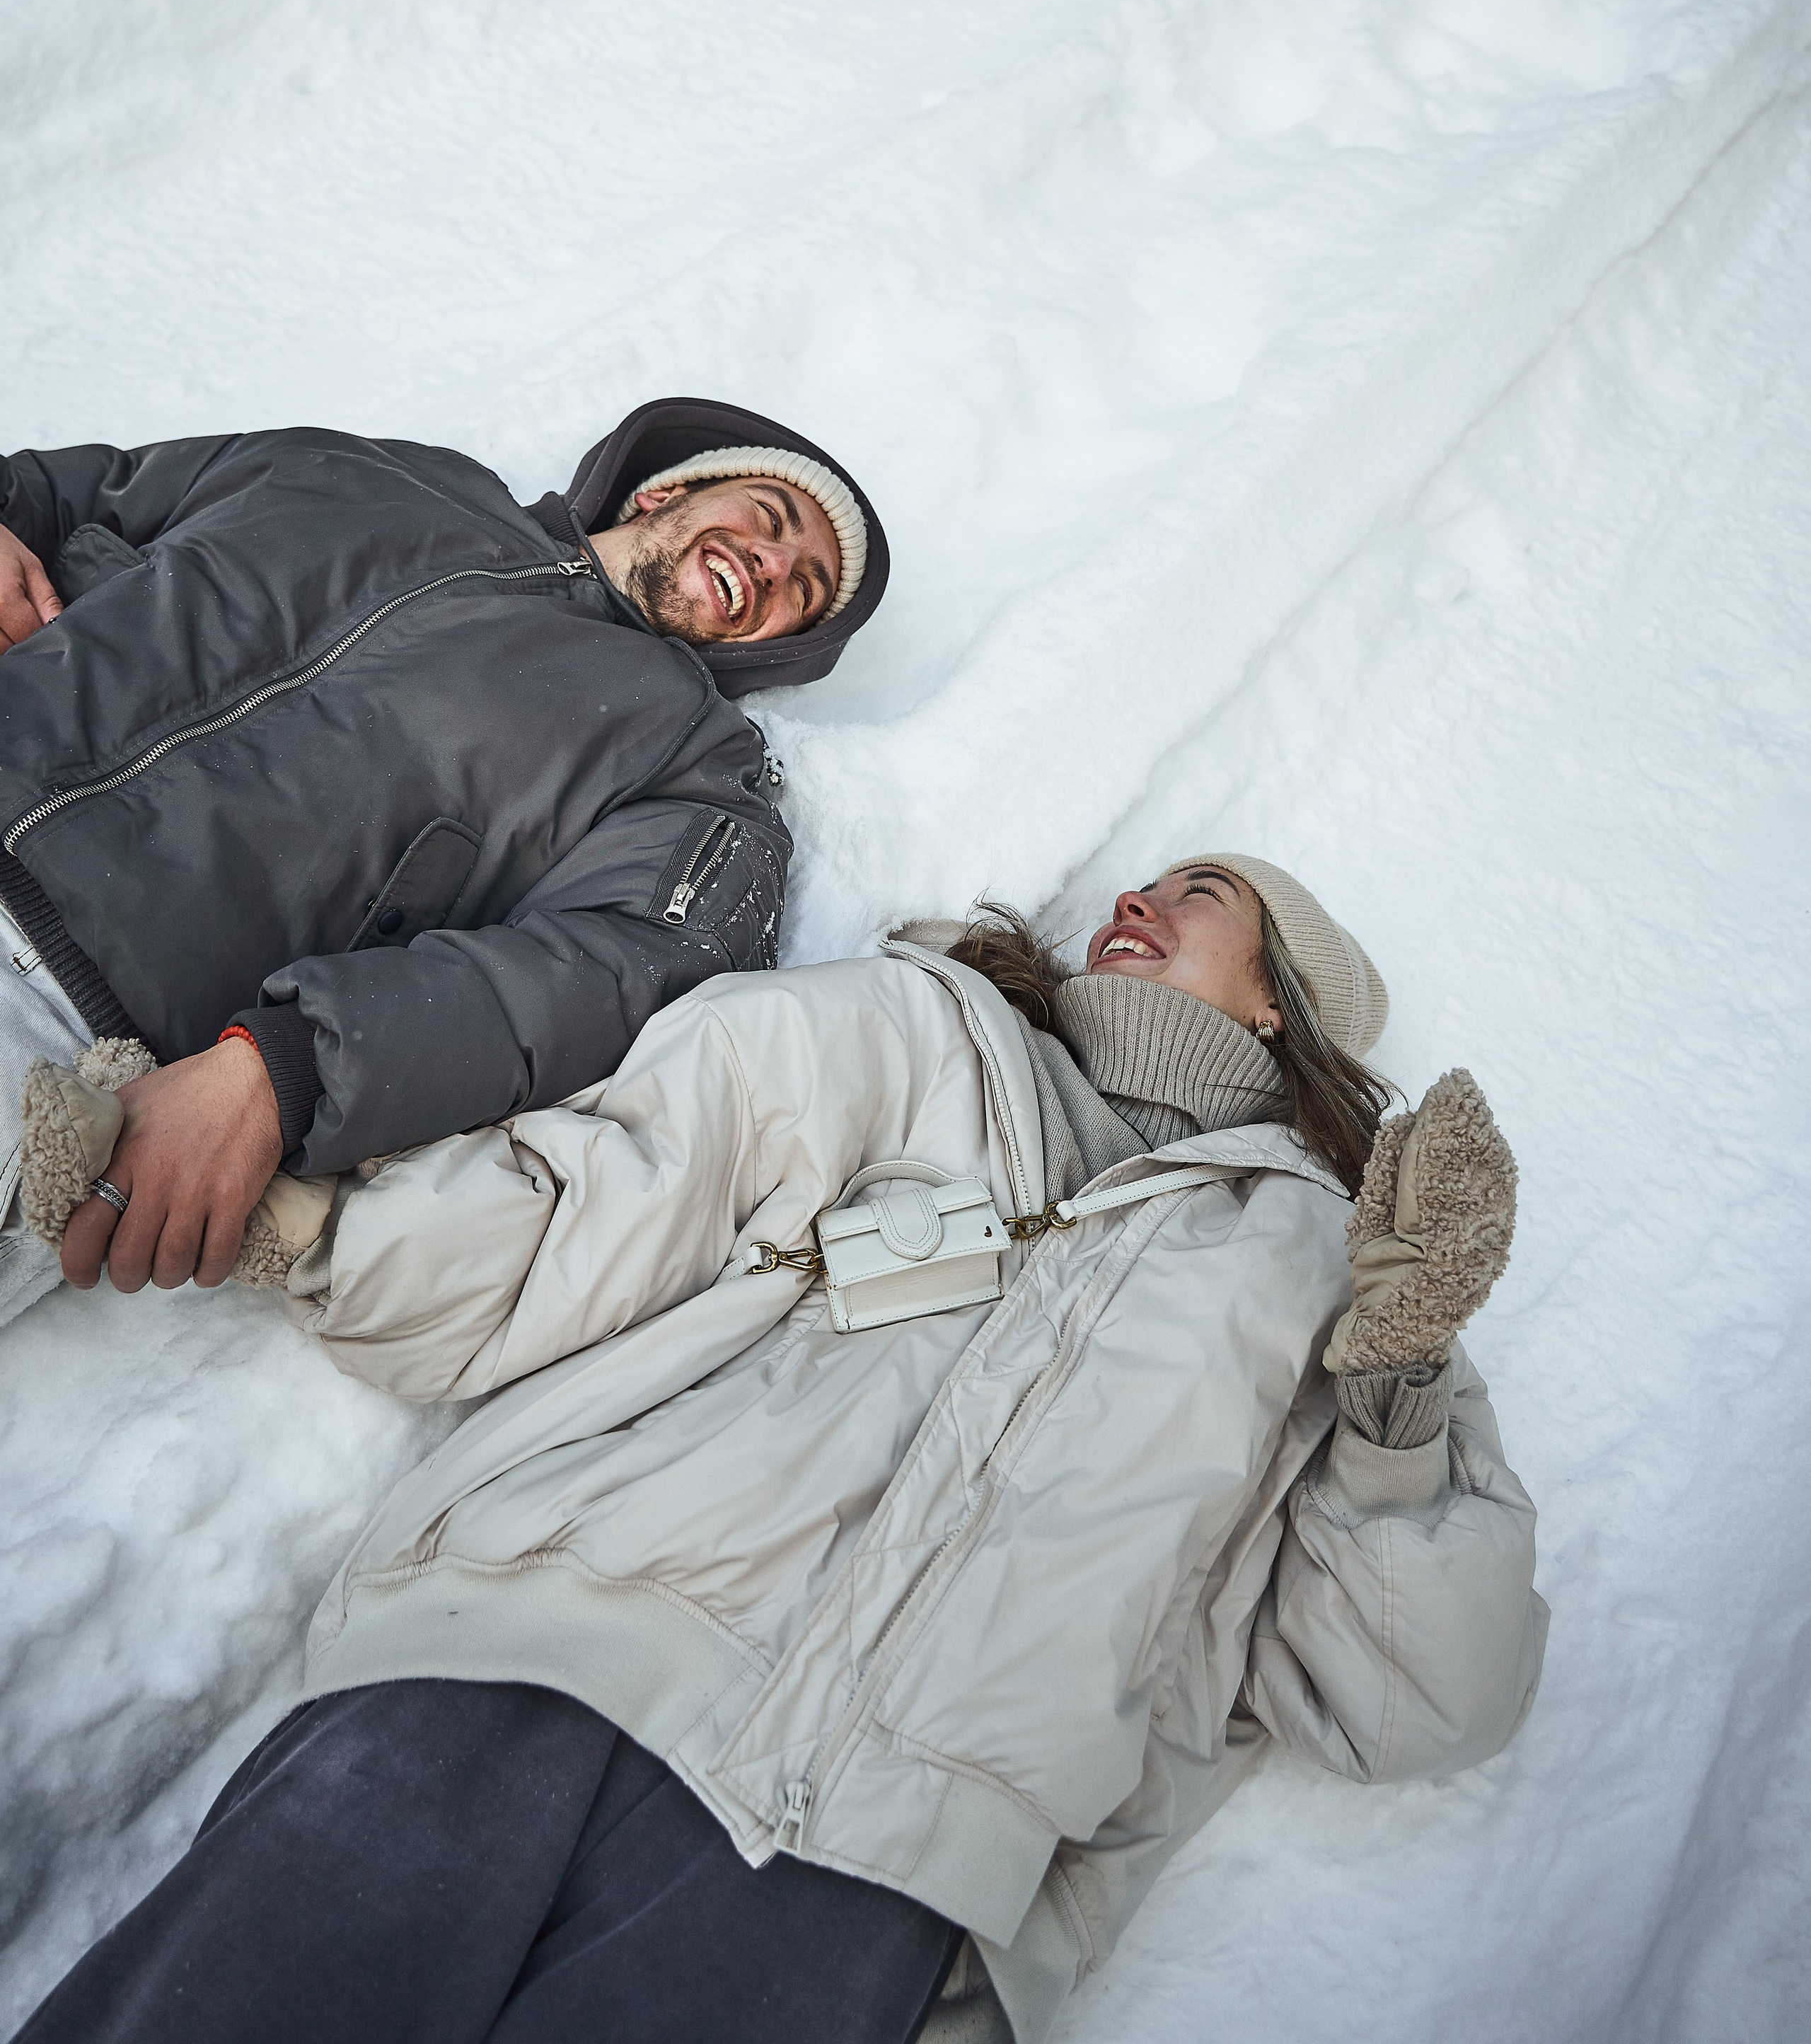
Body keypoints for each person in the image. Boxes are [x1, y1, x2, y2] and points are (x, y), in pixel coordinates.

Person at [17, 853, 1545, 2044]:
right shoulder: (921, 1033)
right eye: (1142, 879)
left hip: (880, 1860)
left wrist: (1395, 1401)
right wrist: (300, 1226)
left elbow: (1413, 1697)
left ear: (1283, 1000)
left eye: (1200, 893)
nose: (1138, 900)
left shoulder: (1331, 1272)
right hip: (542, 1652)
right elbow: (622, 1196)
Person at [0, 398, 889, 1327]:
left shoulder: (693, 768)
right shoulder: (387, 475)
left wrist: (287, 1072)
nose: (776, 563)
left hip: (54, 1010)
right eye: (771, 517)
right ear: (666, 491)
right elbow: (73, 494)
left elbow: (595, 977)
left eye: (806, 591)